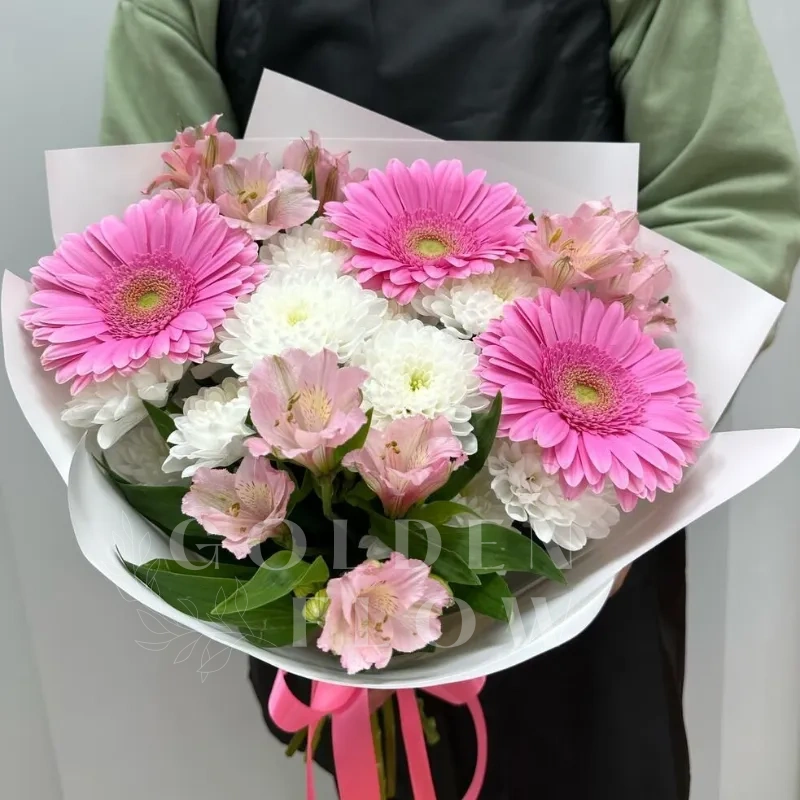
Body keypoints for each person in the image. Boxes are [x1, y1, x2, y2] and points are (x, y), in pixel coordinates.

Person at [101, 1, 800, 798]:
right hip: (309, 526)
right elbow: (153, 235)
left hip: (580, 523)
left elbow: (730, 204)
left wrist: (612, 448)